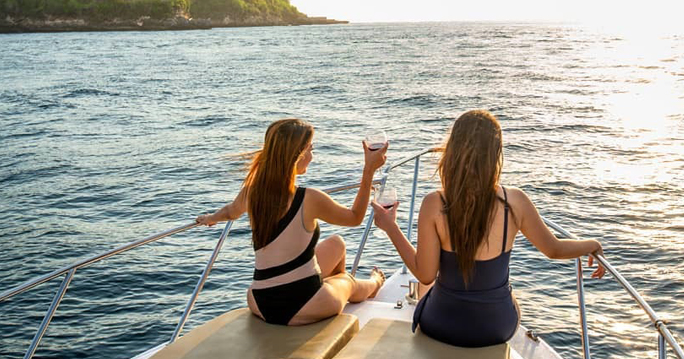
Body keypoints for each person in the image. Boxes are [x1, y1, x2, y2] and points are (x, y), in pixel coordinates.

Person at [372, 109, 605, 348]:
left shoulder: (434, 203)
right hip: (496, 327)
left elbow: (425, 273)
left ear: (452, 152)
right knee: (507, 294)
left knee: (425, 286)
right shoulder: (515, 202)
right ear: (495, 155)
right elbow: (554, 249)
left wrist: (391, 227)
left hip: (441, 324)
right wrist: (592, 245)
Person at [196, 118, 387, 326]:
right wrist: (369, 170)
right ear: (298, 154)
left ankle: (322, 284)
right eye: (310, 149)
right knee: (347, 282)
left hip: (259, 302)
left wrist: (210, 219)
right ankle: (375, 283)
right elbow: (355, 218)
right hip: (302, 305)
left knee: (337, 244)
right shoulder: (309, 198)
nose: (312, 156)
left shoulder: (252, 192)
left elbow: (230, 212)